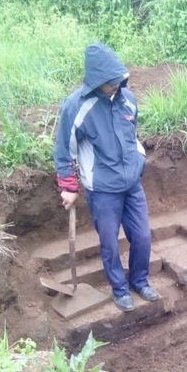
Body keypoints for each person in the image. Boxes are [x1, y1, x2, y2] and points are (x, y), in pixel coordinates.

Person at [54, 43, 159, 312]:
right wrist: (69, 186)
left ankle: (140, 281)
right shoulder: (76, 106)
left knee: (143, 236)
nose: (116, 86)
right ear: (97, 82)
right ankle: (120, 289)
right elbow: (64, 148)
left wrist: (138, 161)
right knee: (110, 243)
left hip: (131, 183)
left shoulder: (128, 99)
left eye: (118, 81)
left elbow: (132, 135)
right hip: (102, 190)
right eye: (110, 83)